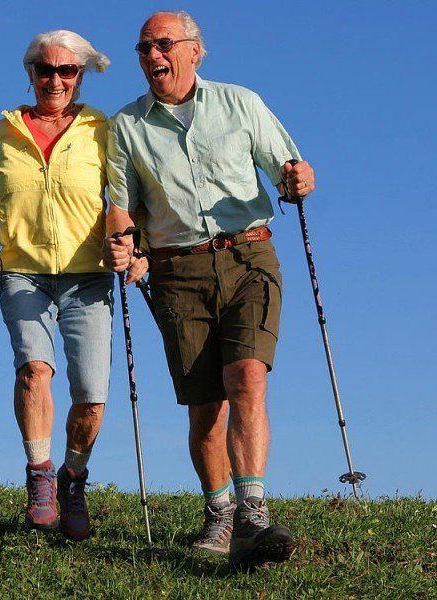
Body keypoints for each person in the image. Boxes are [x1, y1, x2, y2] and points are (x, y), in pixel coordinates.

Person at [104, 11, 315, 566]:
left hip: (248, 254)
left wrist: (299, 179)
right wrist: (123, 243)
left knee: (247, 376)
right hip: (177, 271)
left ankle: (252, 516)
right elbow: (121, 206)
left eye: (164, 44)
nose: (153, 56)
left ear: (195, 51)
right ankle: (219, 513)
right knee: (206, 408)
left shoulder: (241, 103)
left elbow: (289, 167)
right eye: (144, 48)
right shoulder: (126, 126)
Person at [0, 30, 112, 540]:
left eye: (66, 71)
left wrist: (129, 245)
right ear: (30, 74)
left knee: (91, 396)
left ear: (80, 77)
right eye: (45, 70)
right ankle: (40, 477)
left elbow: (125, 197)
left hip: (89, 274)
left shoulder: (101, 129)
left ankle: (73, 478)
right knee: (33, 371)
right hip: (22, 271)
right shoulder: (1, 134)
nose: (55, 80)